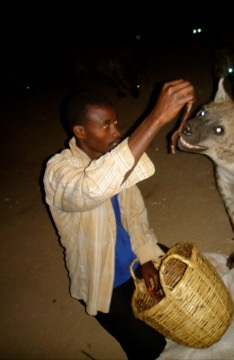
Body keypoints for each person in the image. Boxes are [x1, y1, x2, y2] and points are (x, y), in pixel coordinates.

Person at [43, 79, 195, 360]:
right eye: (106, 125)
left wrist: (147, 258)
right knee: (151, 346)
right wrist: (155, 118)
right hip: (103, 279)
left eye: (115, 123)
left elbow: (136, 217)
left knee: (187, 296)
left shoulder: (112, 159)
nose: (116, 132)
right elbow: (93, 189)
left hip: (135, 260)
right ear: (80, 132)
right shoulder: (59, 172)